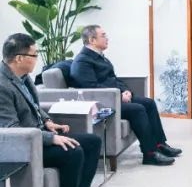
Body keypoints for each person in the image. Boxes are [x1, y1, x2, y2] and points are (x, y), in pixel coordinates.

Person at [0, 34, 106, 187]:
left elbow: (34, 106)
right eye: (34, 55)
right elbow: (10, 132)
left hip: (35, 136)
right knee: (73, 152)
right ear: (19, 58)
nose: (37, 59)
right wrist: (51, 138)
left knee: (91, 142)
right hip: (20, 147)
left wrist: (47, 122)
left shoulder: (21, 76)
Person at [69, 25, 179, 165]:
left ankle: (160, 144)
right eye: (103, 35)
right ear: (92, 40)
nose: (107, 38)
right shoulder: (82, 61)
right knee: (138, 109)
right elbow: (91, 89)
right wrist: (118, 95)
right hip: (103, 103)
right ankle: (149, 154)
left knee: (149, 103)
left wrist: (125, 91)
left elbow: (114, 79)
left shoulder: (101, 58)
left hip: (115, 97)